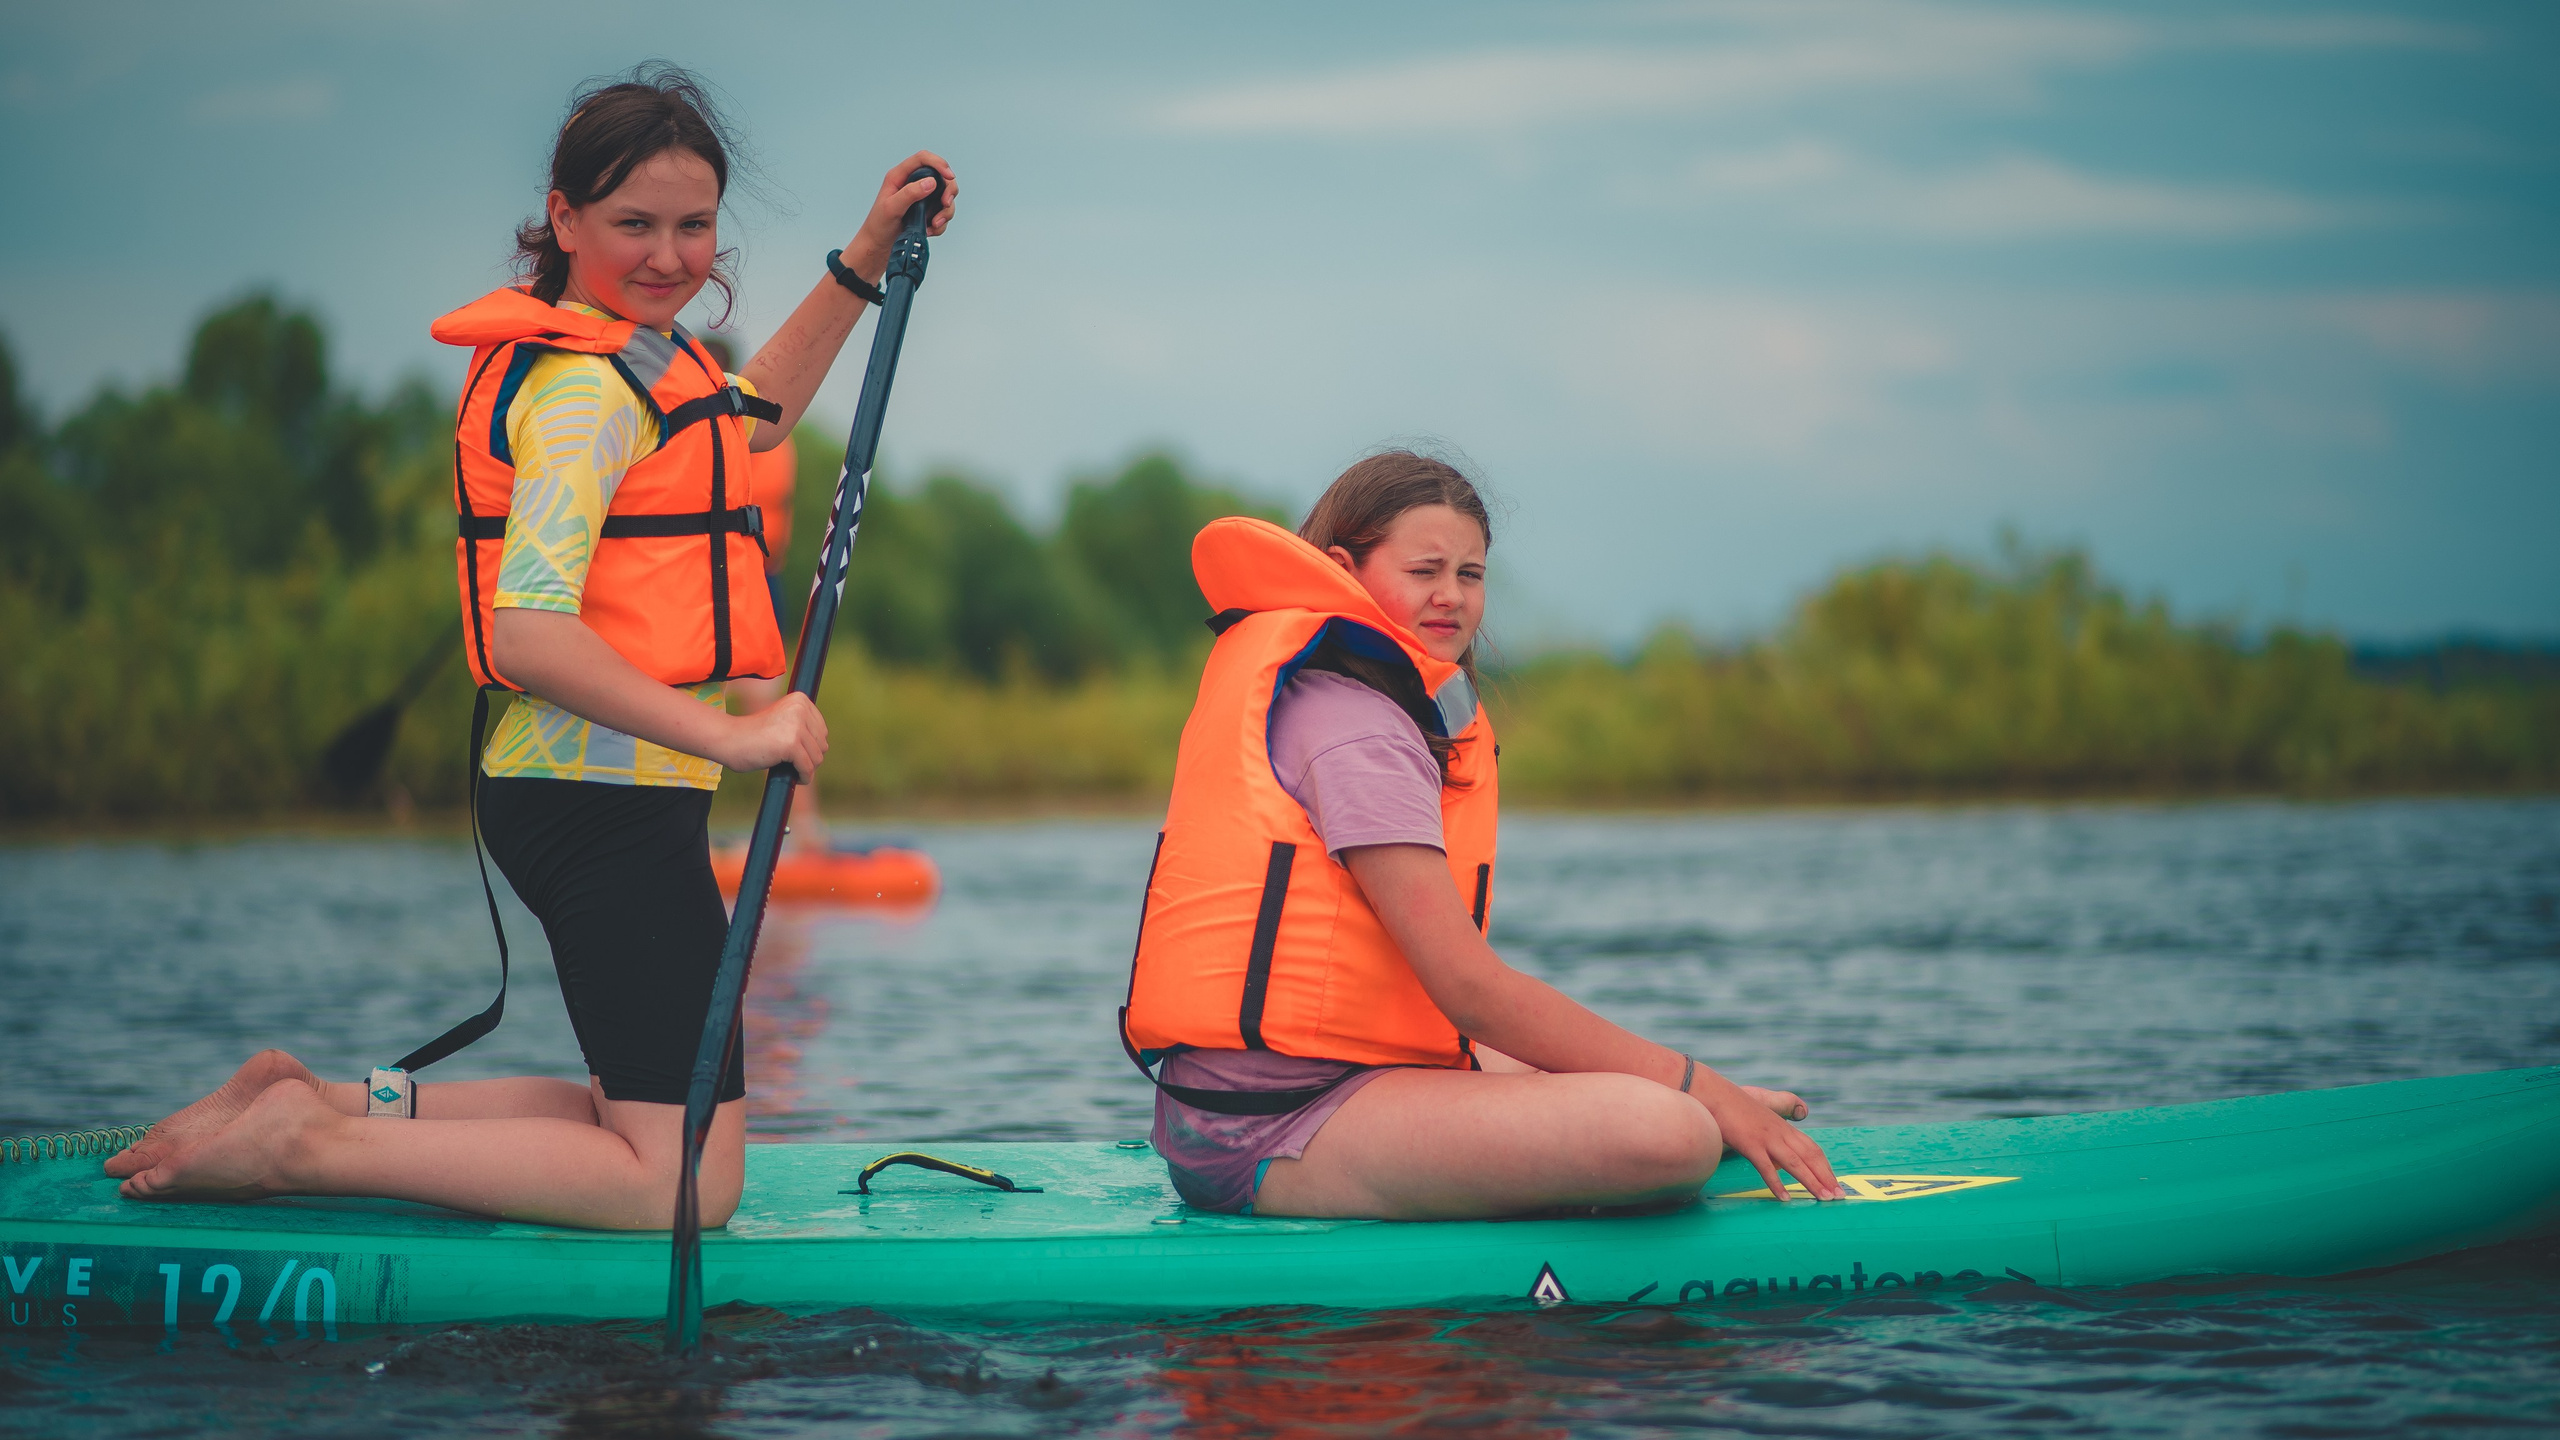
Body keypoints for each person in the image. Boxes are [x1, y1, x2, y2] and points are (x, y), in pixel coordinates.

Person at [105, 66, 957, 1229]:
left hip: (594, 797)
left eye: (694, 226)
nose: (668, 255)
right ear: (563, 219)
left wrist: (862, 259)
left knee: (630, 1120)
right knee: (684, 1186)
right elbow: (528, 630)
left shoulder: (637, 354)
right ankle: (304, 1148)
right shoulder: (582, 396)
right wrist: (733, 731)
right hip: (593, 805)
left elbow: (753, 414)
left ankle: (316, 1101)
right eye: (632, 225)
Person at [1122, 452, 1843, 1219]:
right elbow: (1469, 991)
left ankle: (1699, 1102)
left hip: (1273, 1097)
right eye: (1425, 569)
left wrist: (1690, 1086)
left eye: (1470, 574)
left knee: (1648, 1096)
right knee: (1672, 1135)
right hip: (1269, 1123)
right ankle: (1699, 1108)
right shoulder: (1355, 731)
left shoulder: (1337, 695)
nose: (1451, 597)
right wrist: (1697, 1090)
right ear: (1344, 568)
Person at [703, 335, 828, 855]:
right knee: (713, 706)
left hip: (746, 582)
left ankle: (804, 838)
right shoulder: (745, 428)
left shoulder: (738, 430)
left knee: (768, 708)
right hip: (724, 582)